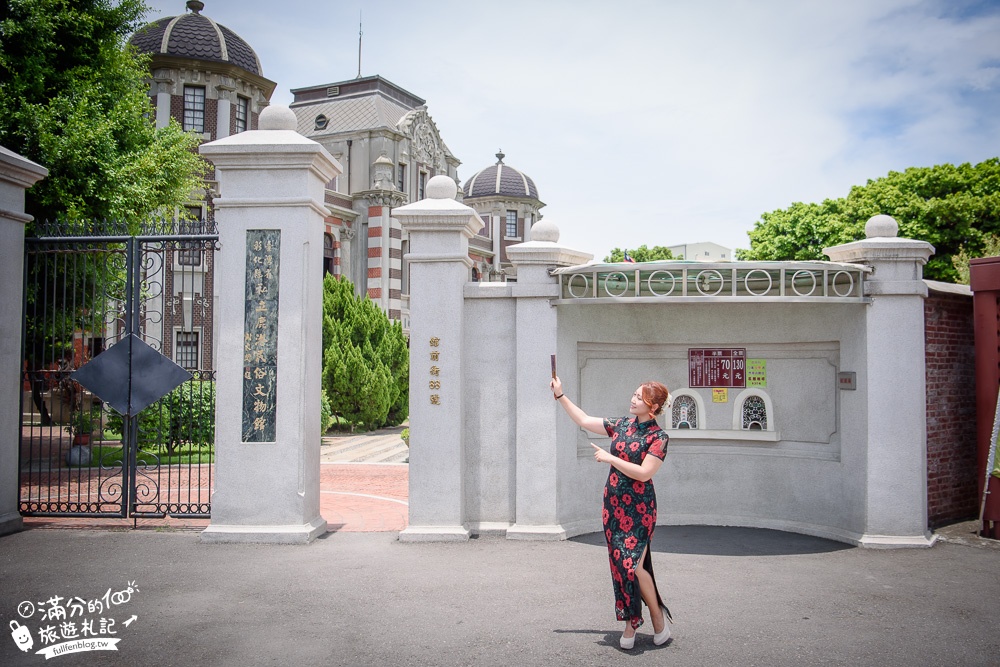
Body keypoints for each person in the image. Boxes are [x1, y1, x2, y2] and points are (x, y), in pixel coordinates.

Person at [550, 376, 673, 650]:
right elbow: (583, 419)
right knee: (622, 566)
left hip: (640, 508)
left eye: (639, 397)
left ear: (652, 407)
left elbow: (644, 473)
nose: (633, 399)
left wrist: (610, 458)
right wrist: (560, 395)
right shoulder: (621, 425)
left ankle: (649, 617)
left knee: (632, 565)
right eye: (634, 394)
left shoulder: (659, 438)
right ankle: (638, 618)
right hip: (614, 505)